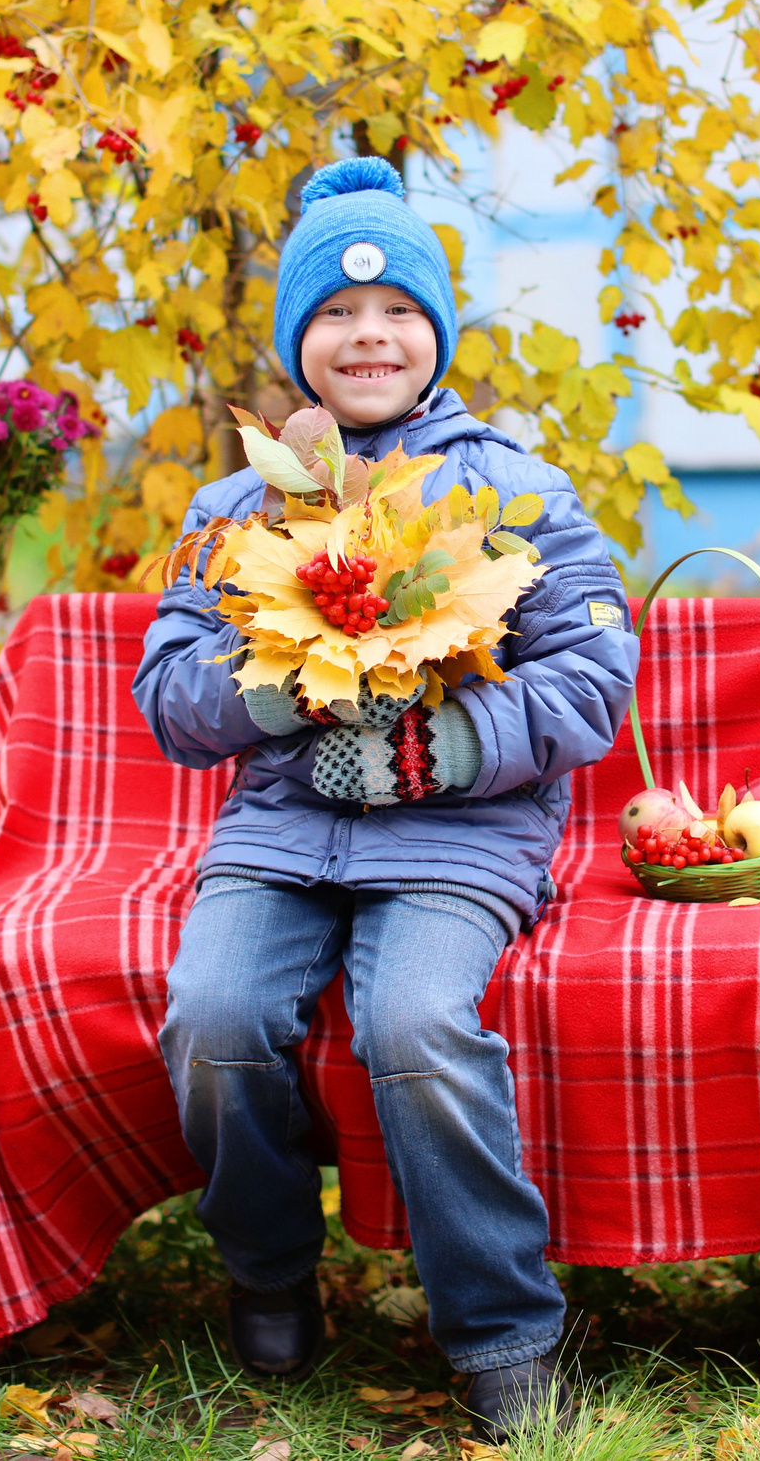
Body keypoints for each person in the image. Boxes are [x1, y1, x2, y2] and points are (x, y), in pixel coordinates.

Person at [133, 157, 639, 1439]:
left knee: (413, 1026)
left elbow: (590, 674)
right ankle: (266, 1269)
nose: (369, 337)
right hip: (283, 826)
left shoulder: (514, 491)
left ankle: (501, 1330)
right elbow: (169, 687)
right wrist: (278, 693)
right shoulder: (236, 505)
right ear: (300, 340)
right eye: (338, 316)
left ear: (437, 333)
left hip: (455, 837)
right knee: (213, 1012)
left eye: (398, 312)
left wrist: (436, 754)